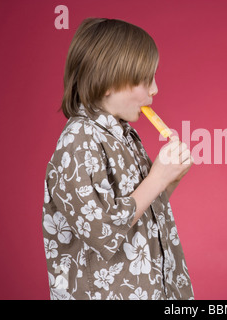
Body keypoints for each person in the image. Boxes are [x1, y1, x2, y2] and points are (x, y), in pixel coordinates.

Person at [42, 18, 194, 300]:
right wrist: (157, 177)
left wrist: (167, 181)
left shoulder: (123, 134)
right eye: (145, 80)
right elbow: (102, 231)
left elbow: (138, 213)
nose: (155, 90)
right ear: (110, 81)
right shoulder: (80, 141)